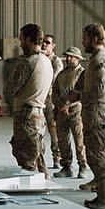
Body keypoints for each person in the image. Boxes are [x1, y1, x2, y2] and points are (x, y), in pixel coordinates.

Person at [73, 24, 105, 209]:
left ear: (94, 38)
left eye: (85, 38)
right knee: (94, 153)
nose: (83, 42)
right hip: (94, 110)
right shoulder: (96, 59)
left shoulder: (100, 60)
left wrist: (80, 96)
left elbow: (100, 90)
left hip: (98, 111)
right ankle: (102, 195)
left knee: (99, 154)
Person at [6, 24, 55, 178]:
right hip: (39, 116)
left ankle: (32, 189)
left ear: (28, 39)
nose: (20, 44)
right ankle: (44, 183)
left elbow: (12, 88)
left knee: (26, 159)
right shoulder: (47, 62)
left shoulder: (27, 63)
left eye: (21, 39)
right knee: (38, 157)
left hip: (26, 116)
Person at [52, 47, 88, 179]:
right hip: (61, 111)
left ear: (78, 59)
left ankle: (83, 166)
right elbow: (55, 92)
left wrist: (69, 104)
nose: (68, 59)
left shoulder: (82, 74)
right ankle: (66, 166)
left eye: (71, 56)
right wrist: (59, 105)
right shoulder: (62, 74)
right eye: (67, 56)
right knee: (63, 140)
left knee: (79, 140)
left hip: (76, 111)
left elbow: (82, 93)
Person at [41, 33, 64, 169]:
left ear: (53, 46)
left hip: (51, 99)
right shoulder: (40, 59)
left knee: (53, 129)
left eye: (48, 42)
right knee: (38, 129)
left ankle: (57, 157)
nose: (44, 45)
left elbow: (53, 80)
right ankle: (39, 158)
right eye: (43, 42)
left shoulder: (56, 62)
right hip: (40, 98)